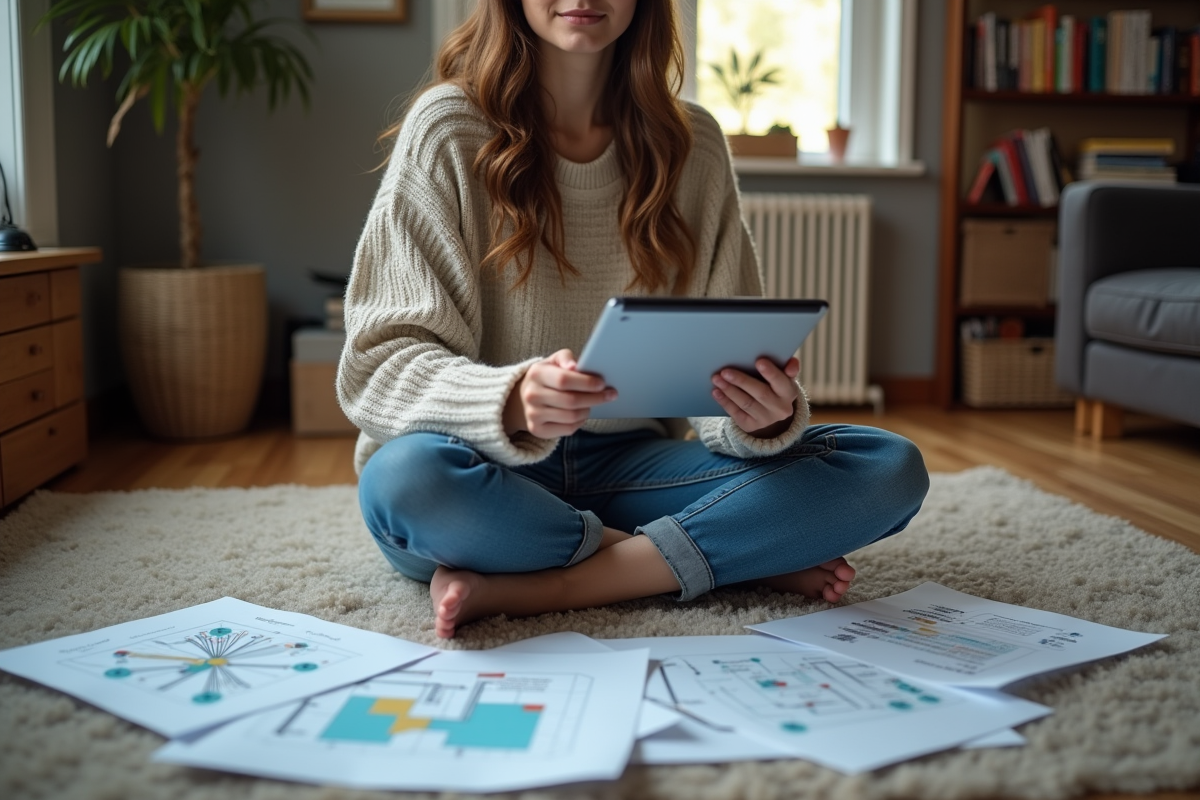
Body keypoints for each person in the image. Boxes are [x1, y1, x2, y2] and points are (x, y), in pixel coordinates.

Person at [338, 0, 929, 639]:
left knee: (885, 468)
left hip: (631, 468)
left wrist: (760, 415)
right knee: (407, 483)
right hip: (483, 468)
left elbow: (720, 370)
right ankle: (713, 557)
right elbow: (379, 363)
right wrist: (509, 399)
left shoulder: (694, 144)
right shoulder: (448, 128)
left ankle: (558, 583)